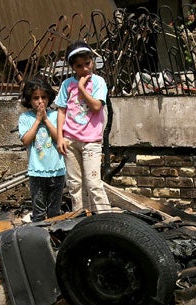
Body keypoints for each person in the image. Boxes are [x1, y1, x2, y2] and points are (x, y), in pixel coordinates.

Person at [55, 40, 111, 213]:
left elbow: (96, 106)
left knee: (94, 184)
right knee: (74, 185)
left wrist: (81, 88)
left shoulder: (99, 82)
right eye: (79, 66)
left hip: (91, 141)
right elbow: (62, 111)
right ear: (73, 67)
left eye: (87, 63)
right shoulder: (66, 85)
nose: (85, 69)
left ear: (92, 61)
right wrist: (59, 137)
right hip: (70, 140)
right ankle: (80, 220)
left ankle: (109, 220)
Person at [18, 78, 66, 221]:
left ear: (49, 98)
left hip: (57, 170)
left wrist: (46, 120)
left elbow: (59, 138)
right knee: (38, 212)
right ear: (29, 100)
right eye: (35, 98)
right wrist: (38, 120)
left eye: (44, 97)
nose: (40, 101)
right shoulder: (25, 117)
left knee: (54, 211)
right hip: (37, 171)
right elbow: (26, 141)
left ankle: (53, 239)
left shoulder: (56, 115)